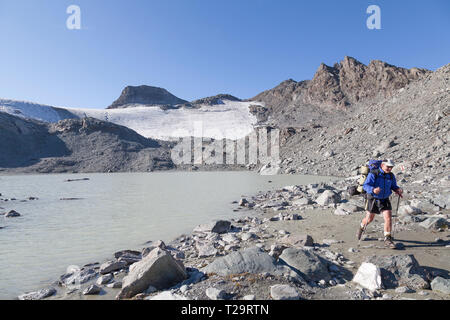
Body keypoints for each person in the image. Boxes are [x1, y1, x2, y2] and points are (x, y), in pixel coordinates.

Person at [357, 159, 403, 248]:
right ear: (382, 165)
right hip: (373, 198)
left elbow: (393, 186)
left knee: (388, 218)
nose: (389, 169)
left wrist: (397, 190)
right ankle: (361, 228)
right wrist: (373, 190)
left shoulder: (391, 175)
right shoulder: (374, 174)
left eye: (391, 167)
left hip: (385, 199)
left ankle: (388, 239)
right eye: (388, 167)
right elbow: (366, 185)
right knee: (369, 219)